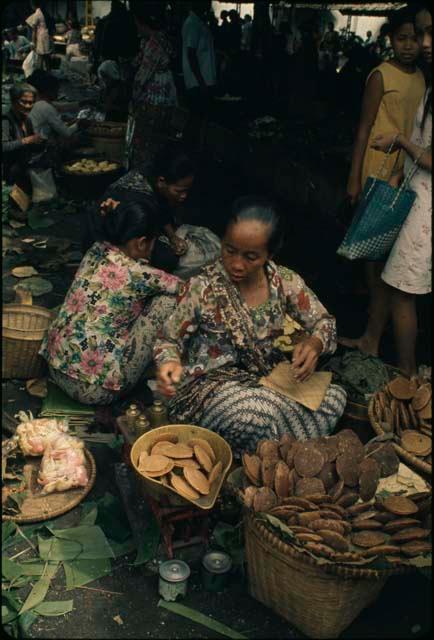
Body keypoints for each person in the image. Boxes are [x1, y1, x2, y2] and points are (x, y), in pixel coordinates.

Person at [155, 196, 346, 458]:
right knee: (256, 413)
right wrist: (169, 363)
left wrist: (315, 343)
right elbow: (168, 339)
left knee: (334, 399)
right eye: (229, 250)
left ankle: (270, 450)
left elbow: (324, 322)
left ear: (270, 254)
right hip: (209, 391)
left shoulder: (284, 282)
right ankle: (267, 452)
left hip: (267, 380)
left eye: (251, 257)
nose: (236, 264)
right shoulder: (203, 287)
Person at [340, 7, 426, 358]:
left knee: (390, 261)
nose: (408, 46)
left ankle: (374, 336)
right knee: (373, 260)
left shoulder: (422, 78)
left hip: (408, 171)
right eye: (401, 39)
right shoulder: (380, 76)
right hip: (378, 168)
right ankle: (372, 336)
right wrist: (353, 177)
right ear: (390, 40)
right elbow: (364, 128)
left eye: (414, 39)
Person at [40, 199, 181, 406]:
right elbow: (186, 288)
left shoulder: (95, 250)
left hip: (55, 368)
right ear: (141, 242)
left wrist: (119, 214)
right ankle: (153, 367)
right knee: (166, 301)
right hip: (94, 391)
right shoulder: (141, 274)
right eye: (153, 241)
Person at [362, 3, 432, 377]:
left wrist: (403, 143)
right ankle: (381, 346)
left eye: (424, 34)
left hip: (421, 194)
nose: (421, 43)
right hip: (402, 182)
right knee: (387, 271)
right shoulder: (389, 76)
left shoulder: (423, 78)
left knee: (402, 284)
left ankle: (405, 375)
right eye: (416, 35)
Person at [100, 143, 220, 277]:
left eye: (187, 191)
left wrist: (173, 237)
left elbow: (161, 209)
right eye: (179, 191)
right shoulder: (138, 200)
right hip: (111, 239)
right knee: (167, 259)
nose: (184, 196)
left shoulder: (155, 178)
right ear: (161, 181)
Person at [127, 1, 177, 170]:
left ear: (142, 21)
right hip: (165, 96)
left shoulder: (154, 43)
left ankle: (145, 175)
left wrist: (133, 99)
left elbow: (142, 77)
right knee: (158, 138)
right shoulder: (159, 39)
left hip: (154, 98)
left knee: (147, 140)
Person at [2, 83, 44, 218]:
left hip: (23, 164)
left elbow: (32, 146)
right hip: (9, 168)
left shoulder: (27, 120)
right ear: (14, 101)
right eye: (23, 102)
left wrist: (41, 143)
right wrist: (27, 140)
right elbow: (3, 147)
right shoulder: (6, 120)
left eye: (31, 103)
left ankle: (23, 204)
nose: (27, 106)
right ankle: (13, 207)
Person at [182, 0, 217, 150]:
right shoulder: (192, 24)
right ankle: (191, 150)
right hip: (198, 82)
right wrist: (201, 81)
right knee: (196, 119)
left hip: (203, 80)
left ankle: (194, 149)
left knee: (199, 119)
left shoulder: (199, 23)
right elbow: (191, 54)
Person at [28, 71, 88, 144]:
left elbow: (61, 106)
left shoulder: (36, 102)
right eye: (56, 90)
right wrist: (79, 124)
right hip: (37, 148)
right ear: (48, 91)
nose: (58, 93)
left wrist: (84, 103)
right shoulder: (45, 107)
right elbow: (67, 133)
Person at [25, 0, 54, 71]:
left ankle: (40, 74)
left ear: (33, 5)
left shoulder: (37, 14)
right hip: (46, 35)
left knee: (40, 57)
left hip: (41, 37)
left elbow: (34, 31)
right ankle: (48, 72)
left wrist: (33, 42)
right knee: (47, 57)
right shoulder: (44, 13)